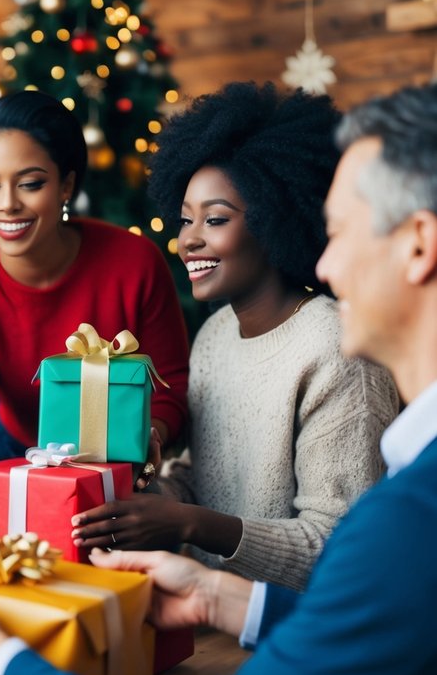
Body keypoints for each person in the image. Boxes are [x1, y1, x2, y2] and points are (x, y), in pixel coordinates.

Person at [0, 82, 437, 675]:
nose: (325, 264)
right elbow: (377, 621)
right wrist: (219, 593)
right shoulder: (218, 338)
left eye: (344, 230)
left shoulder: (404, 512)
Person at [69, 83, 398, 590]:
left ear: (275, 220)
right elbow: (204, 478)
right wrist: (144, 502)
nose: (188, 239)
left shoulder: (336, 348)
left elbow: (339, 546)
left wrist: (188, 524)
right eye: (185, 220)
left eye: (215, 219)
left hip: (291, 629)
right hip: (203, 607)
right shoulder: (216, 333)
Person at [0, 90, 191, 521]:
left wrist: (151, 435)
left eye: (30, 183)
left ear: (67, 184)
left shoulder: (134, 262)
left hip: (114, 459)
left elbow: (170, 383)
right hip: (10, 450)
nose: (7, 203)